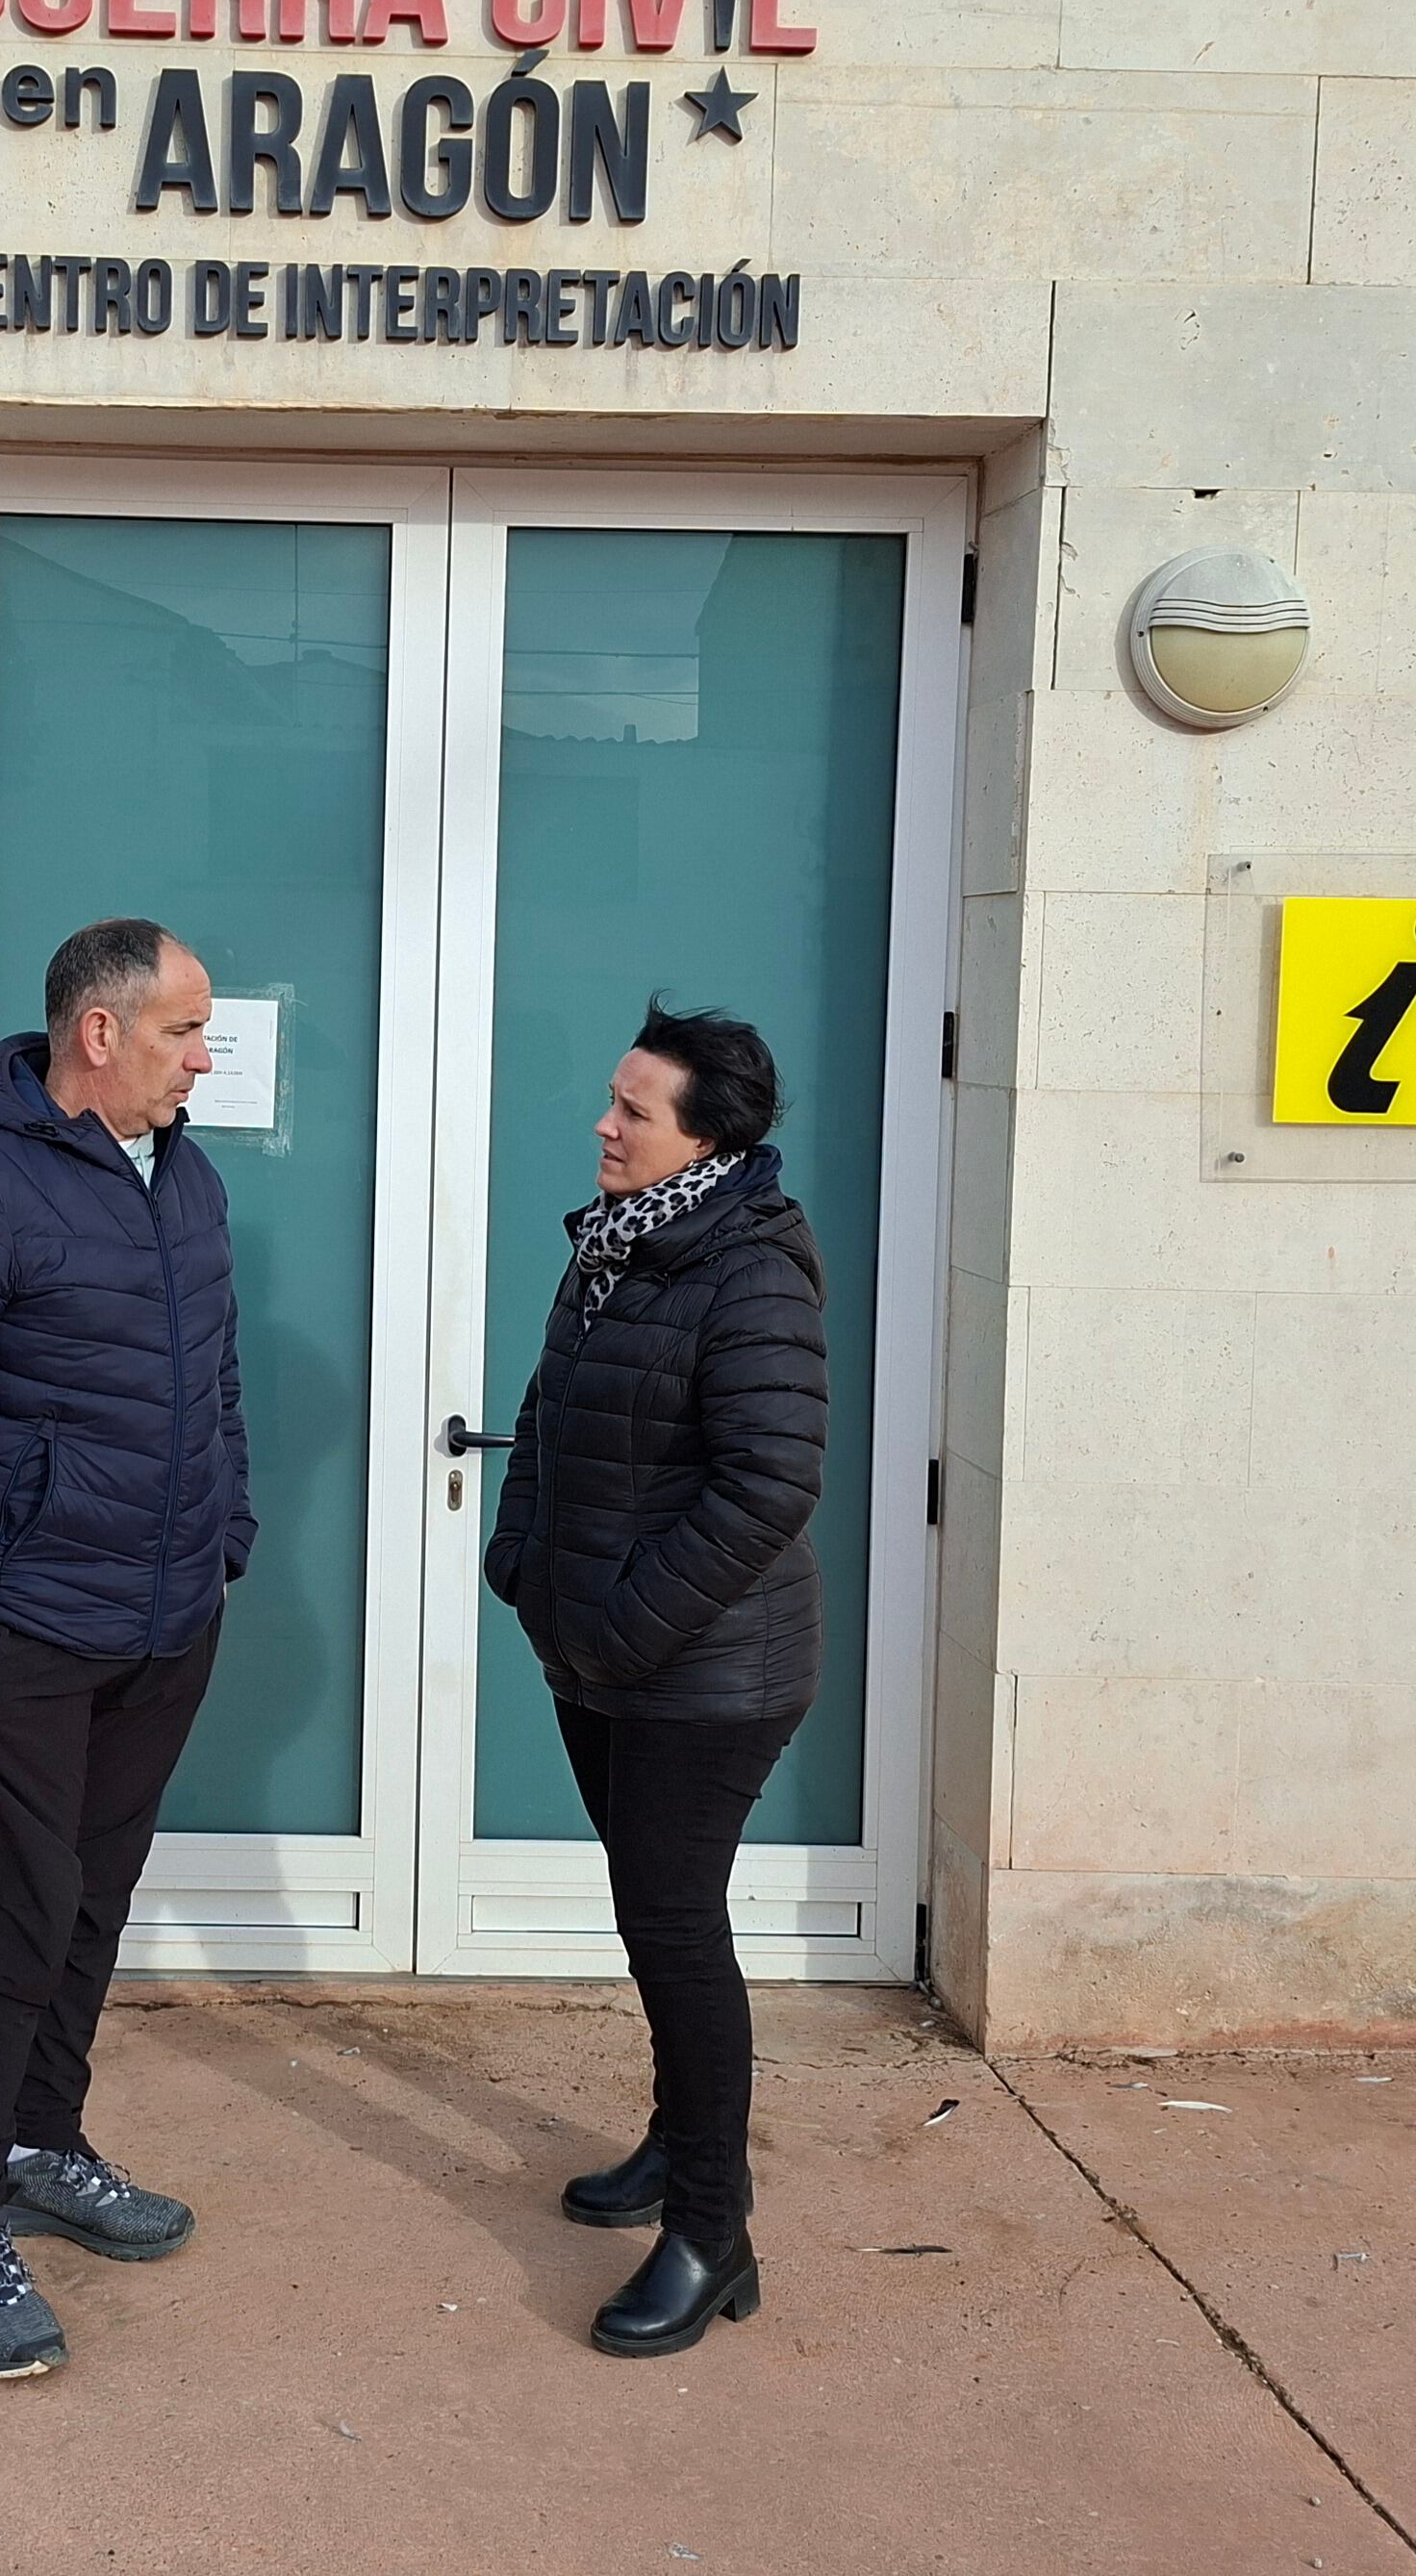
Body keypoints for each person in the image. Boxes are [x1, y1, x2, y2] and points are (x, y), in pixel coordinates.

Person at [0, 917, 252, 2380]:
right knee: (21, 1915)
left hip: (163, 1622)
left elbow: (215, 1375)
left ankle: (41, 2140)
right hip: (22, 1632)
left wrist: (224, 1535)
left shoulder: (183, 1175)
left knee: (91, 1904)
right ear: (98, 1032)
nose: (206, 1055)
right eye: (184, 1030)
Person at [481, 1000, 826, 2360]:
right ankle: (679, 2142)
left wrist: (622, 1626)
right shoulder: (621, 1245)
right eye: (612, 1099)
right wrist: (522, 1560)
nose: (604, 1124)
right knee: (653, 1922)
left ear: (707, 1135)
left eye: (633, 1109)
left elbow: (768, 1485)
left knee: (676, 1929)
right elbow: (554, 1412)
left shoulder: (749, 1269)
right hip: (608, 1655)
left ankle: (710, 2224)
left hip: (710, 1673)